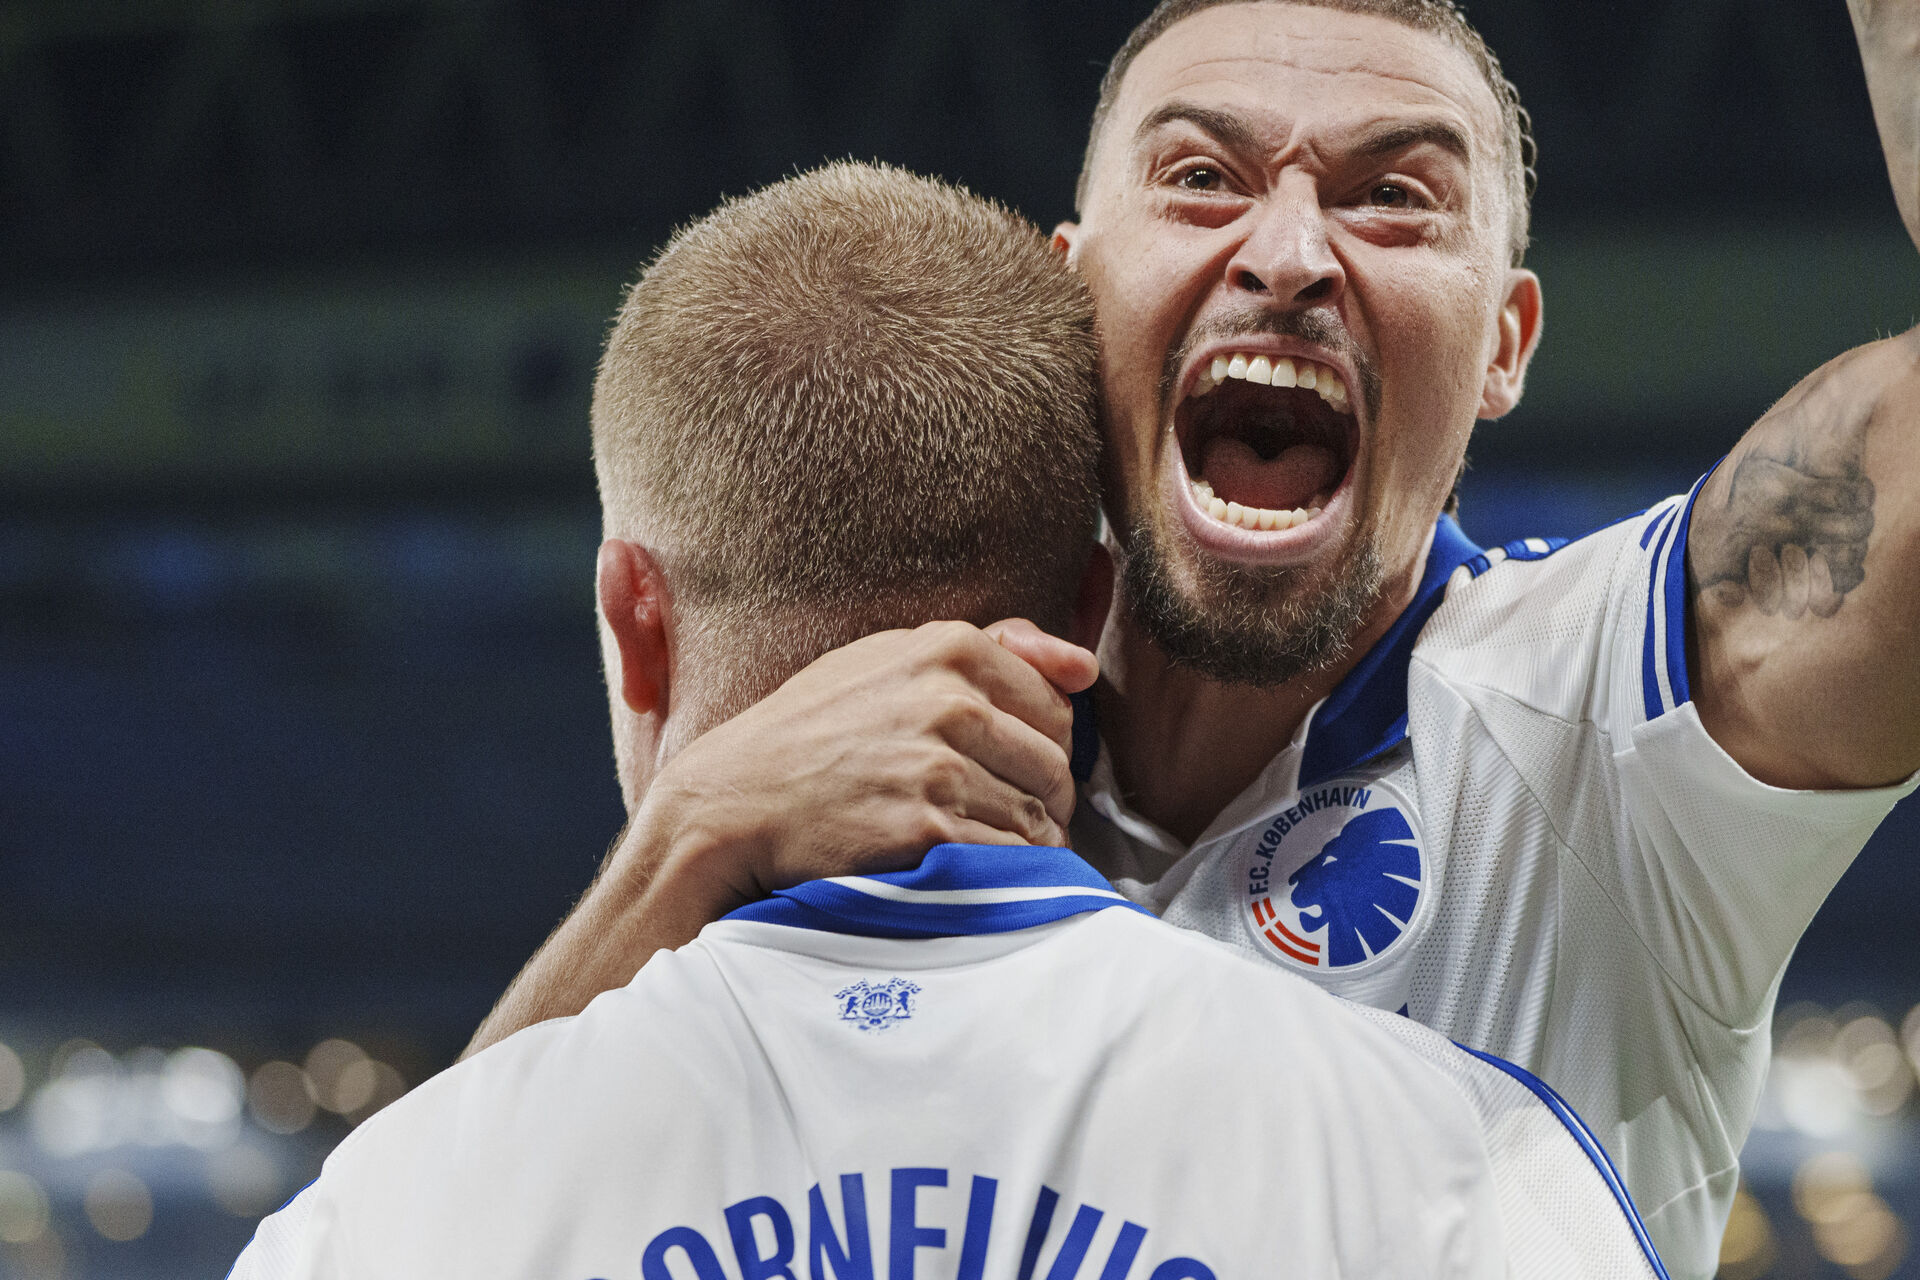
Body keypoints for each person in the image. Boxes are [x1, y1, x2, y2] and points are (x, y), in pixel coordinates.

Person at [466, 4, 1920, 1276]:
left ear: (1503, 347)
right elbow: (446, 1233)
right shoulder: (880, 745)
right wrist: (681, 847)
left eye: (1396, 199)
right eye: (1202, 177)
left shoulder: (1599, 725)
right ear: (1072, 289)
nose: (1286, 254)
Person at [230, 163, 1667, 1280]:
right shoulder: (1449, 1166)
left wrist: (680, 843)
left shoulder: (400, 1213)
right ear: (1097, 609)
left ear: (633, 619)